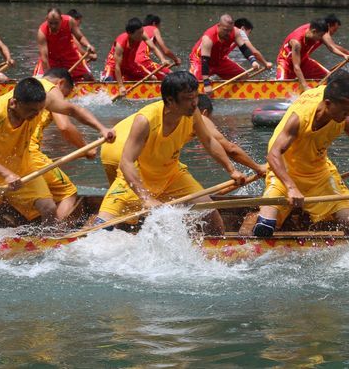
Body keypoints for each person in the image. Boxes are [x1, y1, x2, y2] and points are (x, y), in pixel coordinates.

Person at [0, 77, 115, 225]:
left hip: (22, 167)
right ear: (14, 103)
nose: (36, 115)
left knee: (48, 208)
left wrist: (101, 128)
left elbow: (73, 110)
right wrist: (7, 174)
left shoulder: (41, 101)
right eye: (31, 111)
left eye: (39, 110)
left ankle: (47, 241)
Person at [250, 79, 349, 237]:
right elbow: (273, 155)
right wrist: (291, 188)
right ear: (328, 104)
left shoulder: (345, 118)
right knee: (264, 227)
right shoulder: (299, 119)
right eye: (344, 111)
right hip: (285, 171)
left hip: (318, 172)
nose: (348, 115)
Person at [94, 72, 245, 232]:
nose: (194, 103)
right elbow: (126, 162)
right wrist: (146, 198)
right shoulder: (145, 120)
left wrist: (232, 170)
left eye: (195, 97)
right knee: (100, 230)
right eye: (188, 99)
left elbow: (208, 141)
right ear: (170, 100)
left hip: (172, 175)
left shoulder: (193, 113)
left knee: (211, 216)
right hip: (139, 176)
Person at [29, 68, 115, 220]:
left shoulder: (28, 87)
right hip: (30, 153)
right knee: (68, 193)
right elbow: (65, 127)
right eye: (65, 95)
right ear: (61, 83)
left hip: (8, 151)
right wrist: (86, 148)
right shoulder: (51, 90)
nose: (62, 99)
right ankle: (54, 233)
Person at [189, 14, 271, 93]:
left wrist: (253, 61)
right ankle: (206, 82)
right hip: (200, 61)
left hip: (220, 60)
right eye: (225, 30)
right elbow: (205, 61)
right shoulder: (208, 38)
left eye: (230, 30)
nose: (228, 33)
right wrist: (206, 84)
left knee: (244, 76)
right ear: (219, 26)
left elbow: (244, 48)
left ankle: (226, 90)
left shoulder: (235, 32)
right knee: (193, 84)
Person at [275, 19, 349, 91]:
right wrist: (305, 86)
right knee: (280, 86)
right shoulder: (297, 43)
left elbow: (331, 47)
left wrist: (344, 55)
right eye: (320, 36)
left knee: (329, 78)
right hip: (286, 63)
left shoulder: (316, 29)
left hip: (303, 60)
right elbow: (296, 67)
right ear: (314, 31)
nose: (321, 39)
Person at [101, 17, 168, 91]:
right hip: (113, 66)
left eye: (142, 32)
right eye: (139, 33)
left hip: (131, 64)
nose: (141, 35)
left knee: (153, 78)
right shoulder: (121, 43)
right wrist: (121, 86)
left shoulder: (142, 34)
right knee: (109, 82)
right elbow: (117, 67)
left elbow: (153, 47)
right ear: (130, 33)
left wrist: (162, 59)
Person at [33, 8, 96, 81]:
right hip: (51, 60)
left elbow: (80, 37)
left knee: (88, 78)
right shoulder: (42, 32)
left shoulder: (69, 21)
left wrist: (88, 45)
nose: (53, 26)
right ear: (46, 19)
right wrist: (49, 78)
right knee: (42, 82)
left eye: (56, 23)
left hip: (69, 57)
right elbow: (44, 58)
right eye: (50, 23)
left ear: (61, 19)